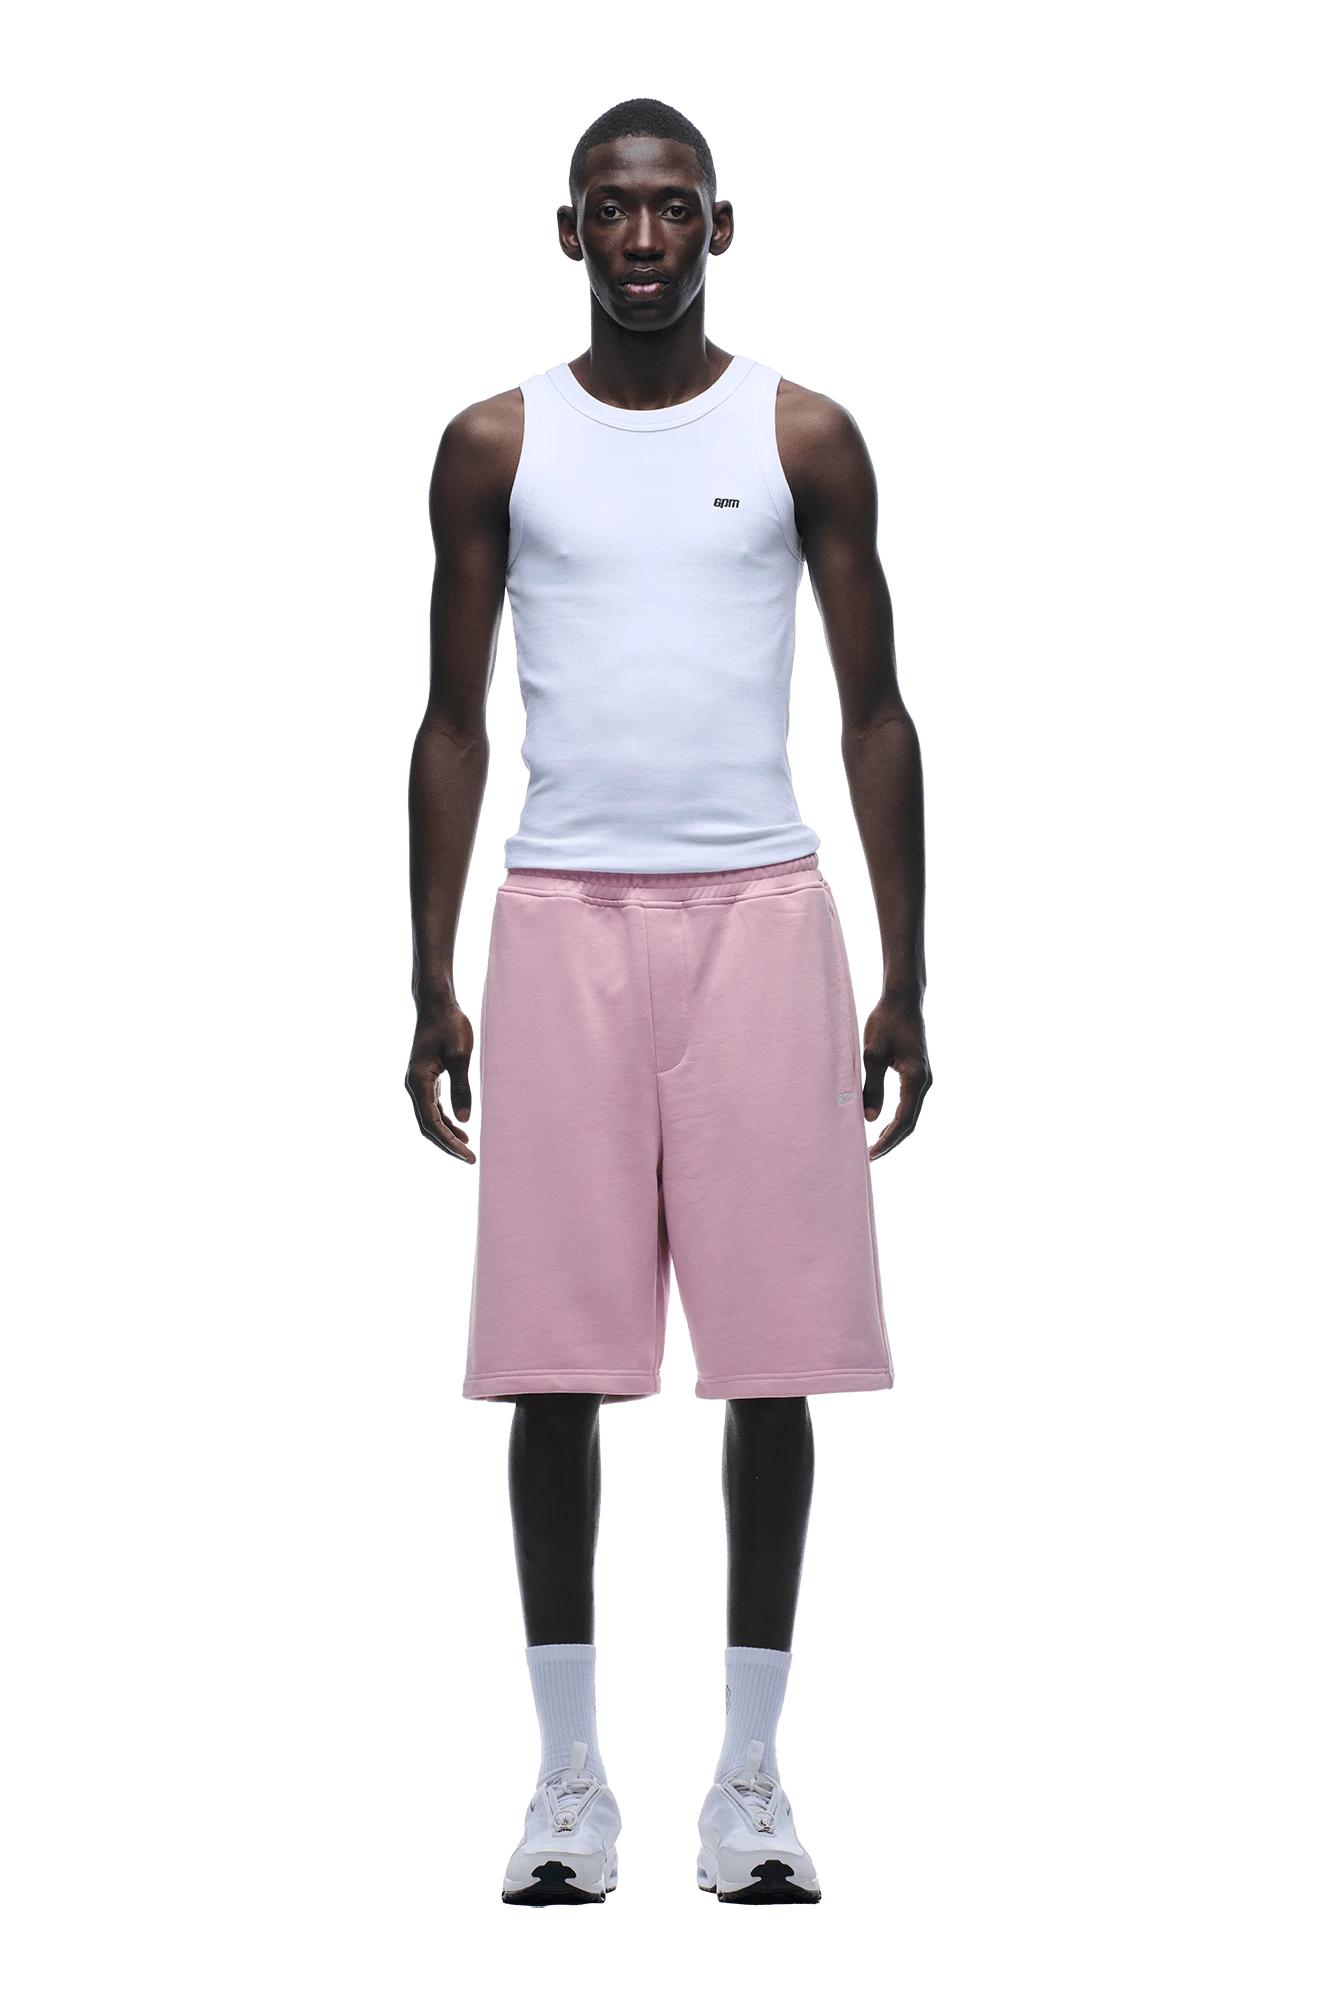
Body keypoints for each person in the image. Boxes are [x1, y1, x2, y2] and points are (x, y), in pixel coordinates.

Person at [406, 98, 931, 1905]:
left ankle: (752, 1790)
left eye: (675, 209)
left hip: (760, 912)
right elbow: (452, 721)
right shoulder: (499, 442)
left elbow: (875, 709)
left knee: (772, 1362)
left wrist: (902, 975)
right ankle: (567, 1790)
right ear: (570, 232)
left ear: (720, 225)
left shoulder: (802, 434)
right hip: (559, 916)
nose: (645, 239)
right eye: (613, 211)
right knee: (555, 1364)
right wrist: (431, 977)